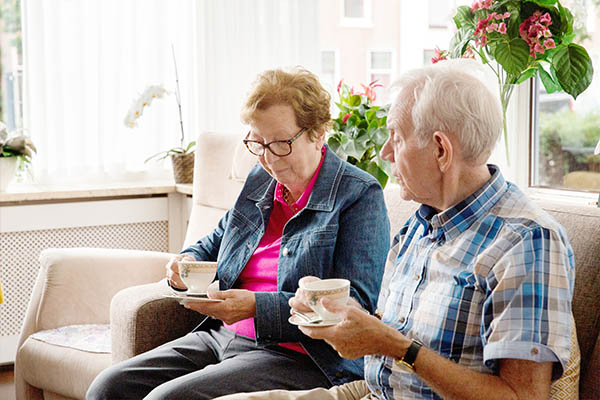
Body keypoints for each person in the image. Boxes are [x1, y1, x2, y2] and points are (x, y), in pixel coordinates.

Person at [214, 59, 576, 400]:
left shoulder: (527, 242)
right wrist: (344, 321)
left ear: (440, 150)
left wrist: (394, 346)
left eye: (396, 138)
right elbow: (385, 334)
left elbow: (521, 397)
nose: (385, 152)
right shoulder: (418, 228)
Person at [85, 67, 391, 400]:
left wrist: (256, 307)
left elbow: (354, 306)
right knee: (108, 387)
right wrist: (185, 263)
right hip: (222, 336)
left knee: (167, 399)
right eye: (257, 144)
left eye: (280, 144)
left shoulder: (358, 194)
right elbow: (215, 242)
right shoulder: (260, 182)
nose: (269, 159)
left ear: (318, 133)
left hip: (300, 355)